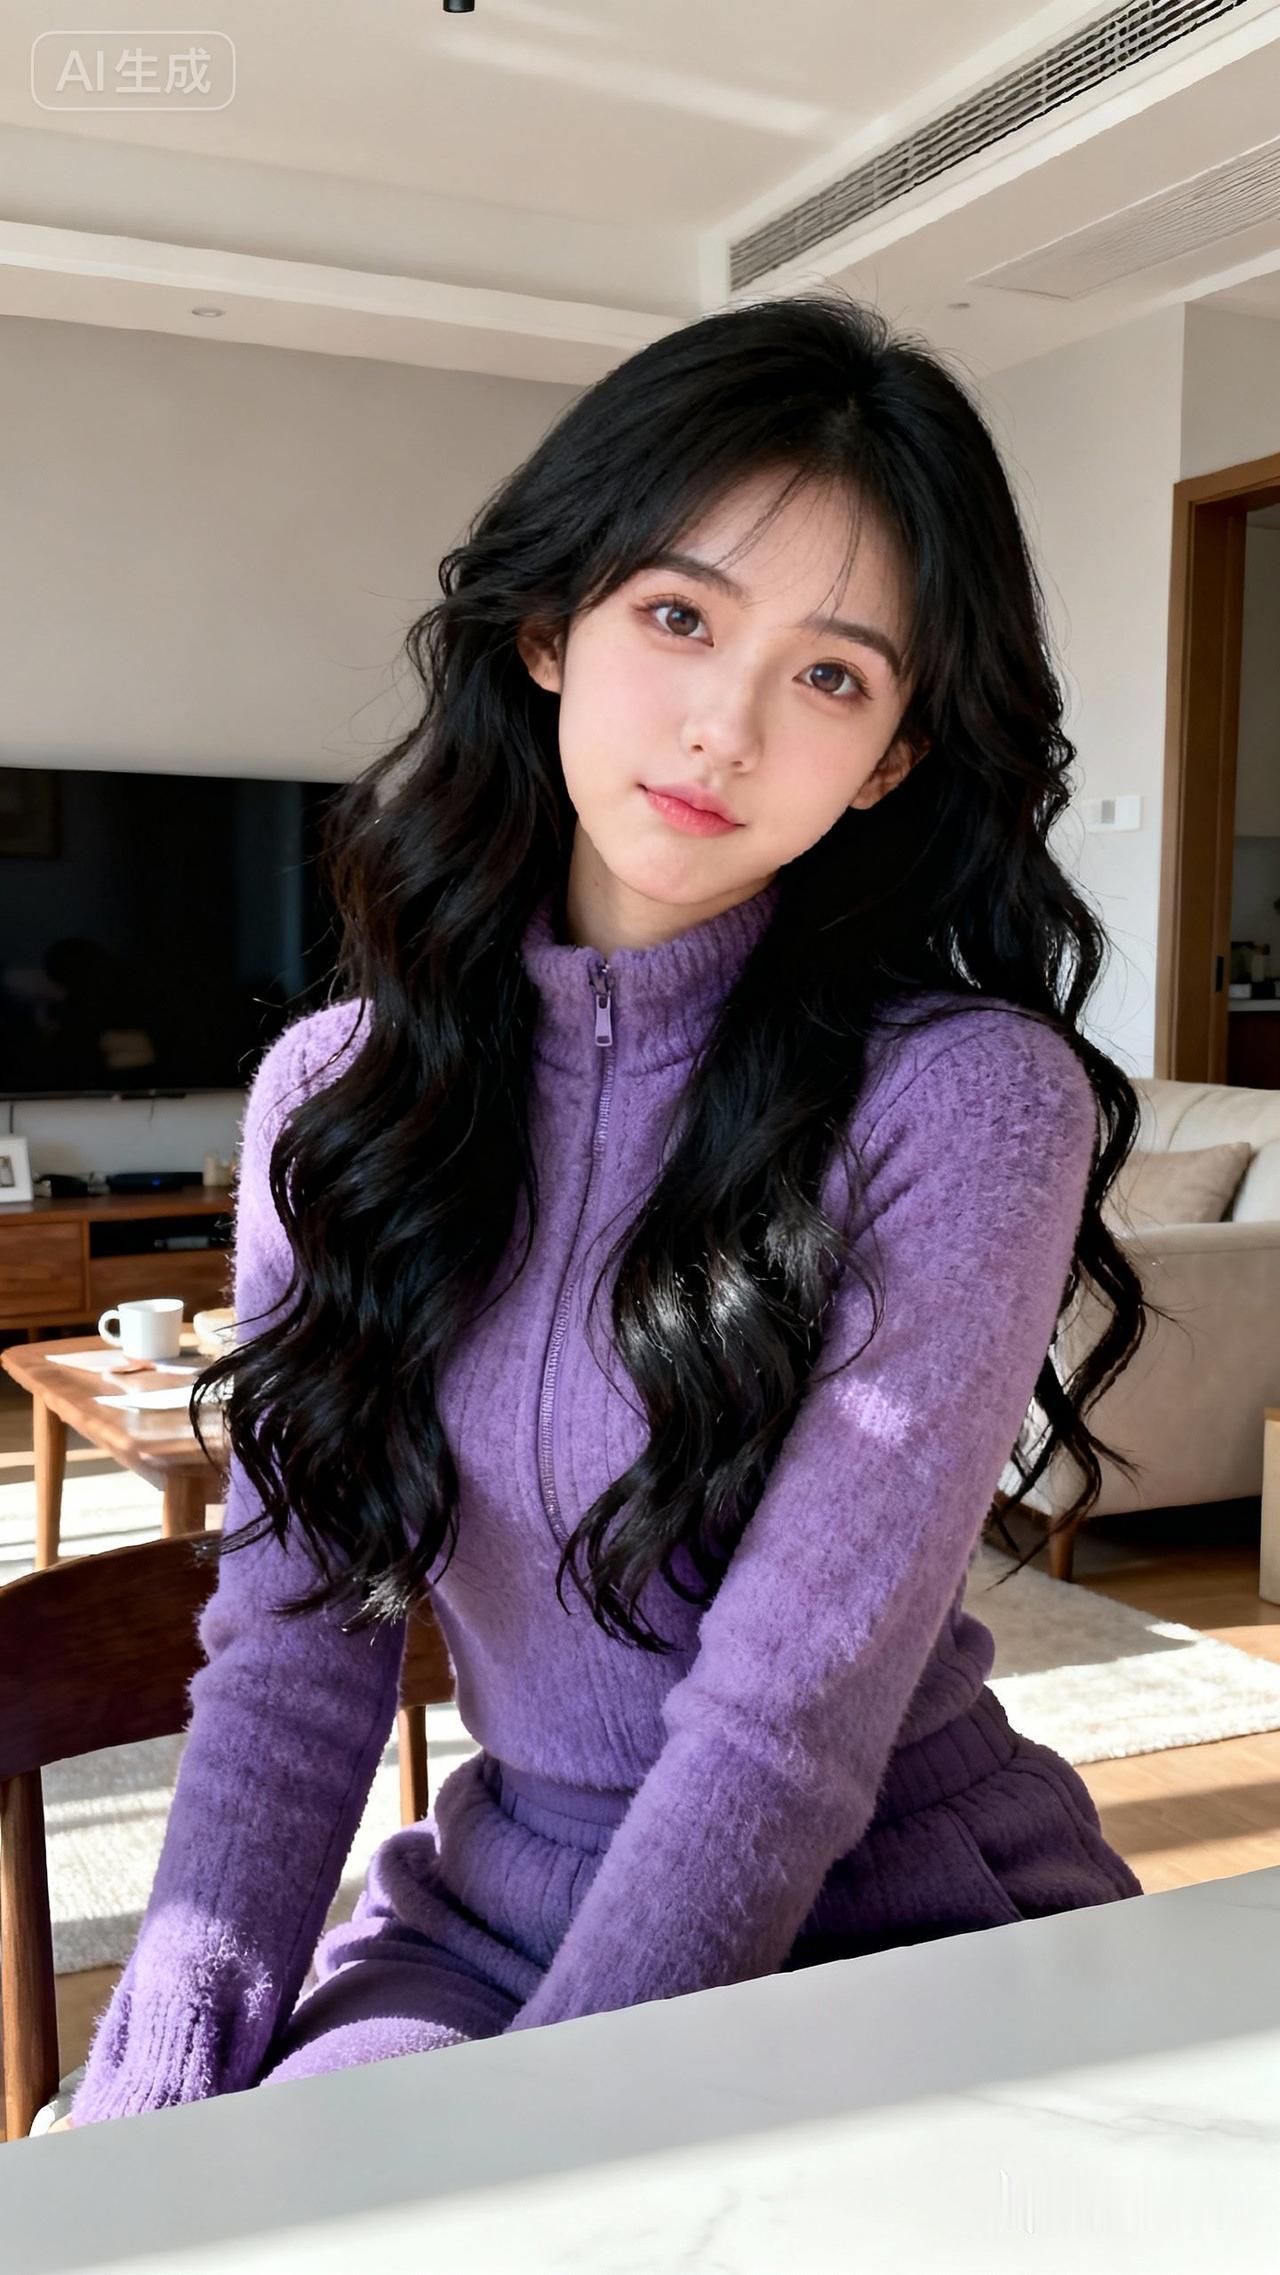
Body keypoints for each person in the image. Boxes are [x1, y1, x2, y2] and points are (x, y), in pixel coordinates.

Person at [60, 291, 1151, 2130]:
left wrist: (557, 2156)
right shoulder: (335, 1098)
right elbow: (296, 1660)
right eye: (679, 617)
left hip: (902, 1926)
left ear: (892, 755)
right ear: (552, 629)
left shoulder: (965, 1102)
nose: (725, 728)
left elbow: (785, 1725)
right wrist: (138, 2125)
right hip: (493, 1917)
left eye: (831, 676)